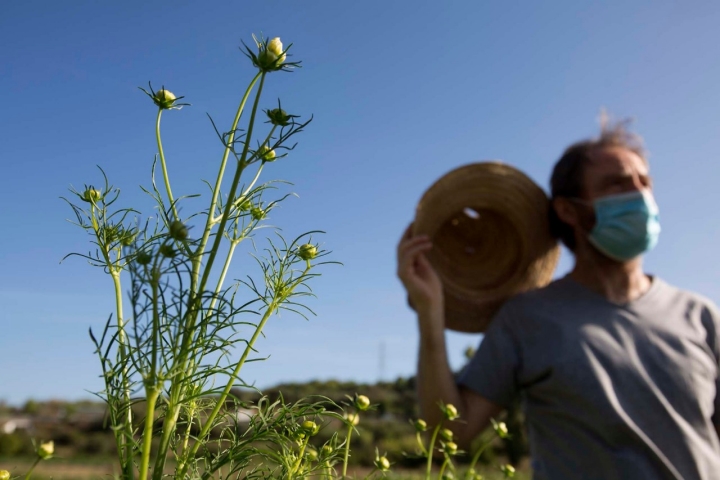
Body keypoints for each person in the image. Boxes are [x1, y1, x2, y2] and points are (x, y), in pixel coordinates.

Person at [396, 123, 720, 479]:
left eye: (645, 182)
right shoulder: (527, 317)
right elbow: (446, 438)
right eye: (617, 183)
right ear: (568, 210)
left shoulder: (701, 317)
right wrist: (430, 313)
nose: (639, 195)